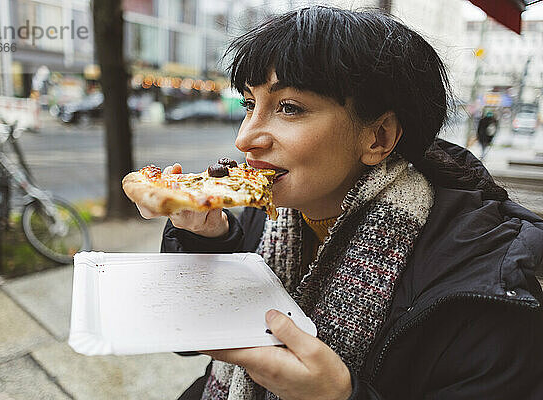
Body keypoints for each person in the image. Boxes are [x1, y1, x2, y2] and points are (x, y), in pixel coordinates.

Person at [135, 6, 543, 400]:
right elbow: (189, 340)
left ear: (379, 137)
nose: (245, 138)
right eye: (248, 104)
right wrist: (207, 239)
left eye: (289, 108)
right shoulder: (274, 219)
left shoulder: (486, 290)